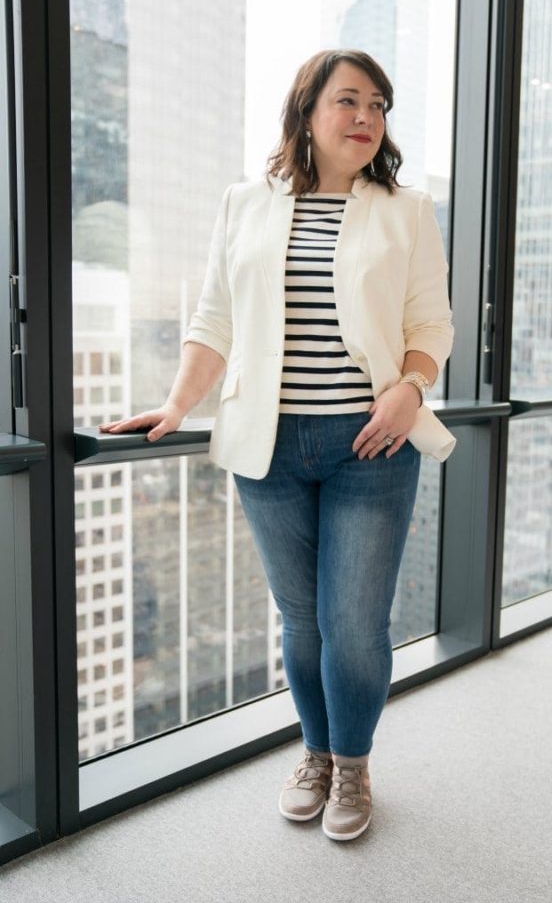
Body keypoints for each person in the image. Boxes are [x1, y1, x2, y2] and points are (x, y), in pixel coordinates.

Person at [99, 49, 455, 841]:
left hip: (372, 444)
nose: (367, 118)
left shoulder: (406, 210)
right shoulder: (245, 203)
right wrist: (174, 404)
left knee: (355, 623)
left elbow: (432, 323)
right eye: (349, 101)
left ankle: (354, 767)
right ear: (307, 110)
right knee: (302, 620)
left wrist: (411, 386)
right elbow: (214, 322)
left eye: (379, 105)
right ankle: (317, 755)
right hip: (268, 446)